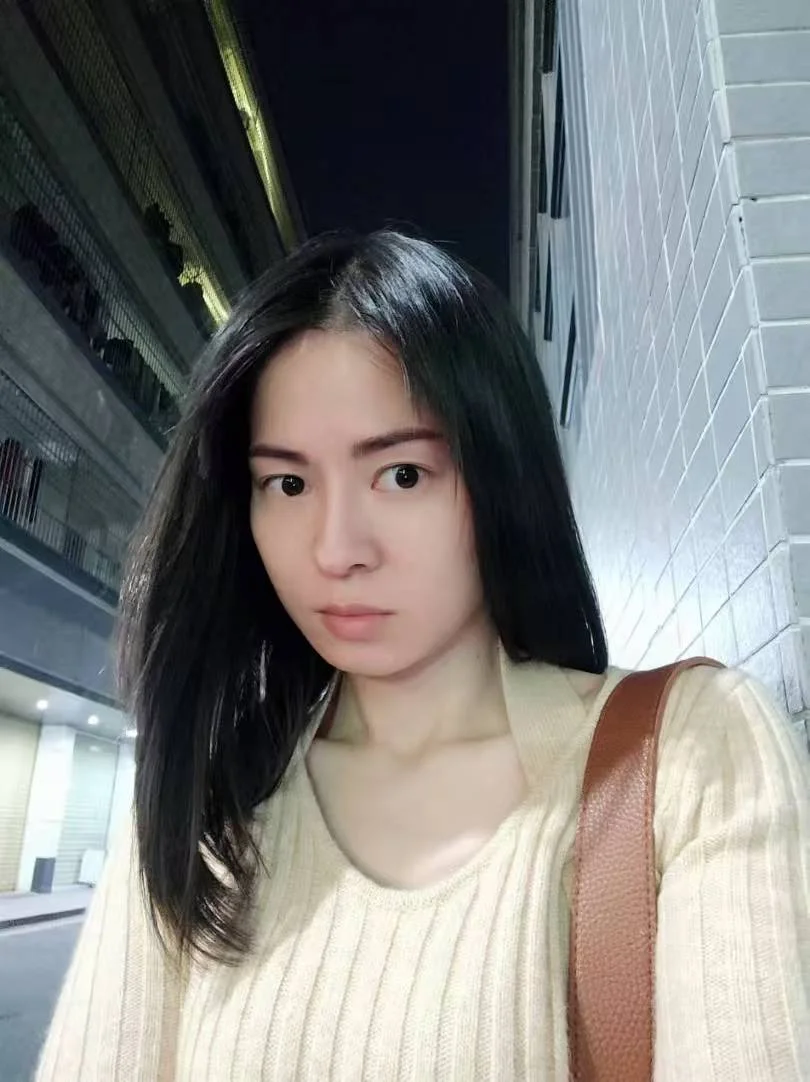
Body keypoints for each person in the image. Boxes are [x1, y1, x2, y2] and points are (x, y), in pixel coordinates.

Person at [36, 231, 809, 1081]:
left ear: (501, 473)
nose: (337, 550)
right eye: (287, 484)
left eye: (401, 475)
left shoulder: (693, 761)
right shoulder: (208, 807)